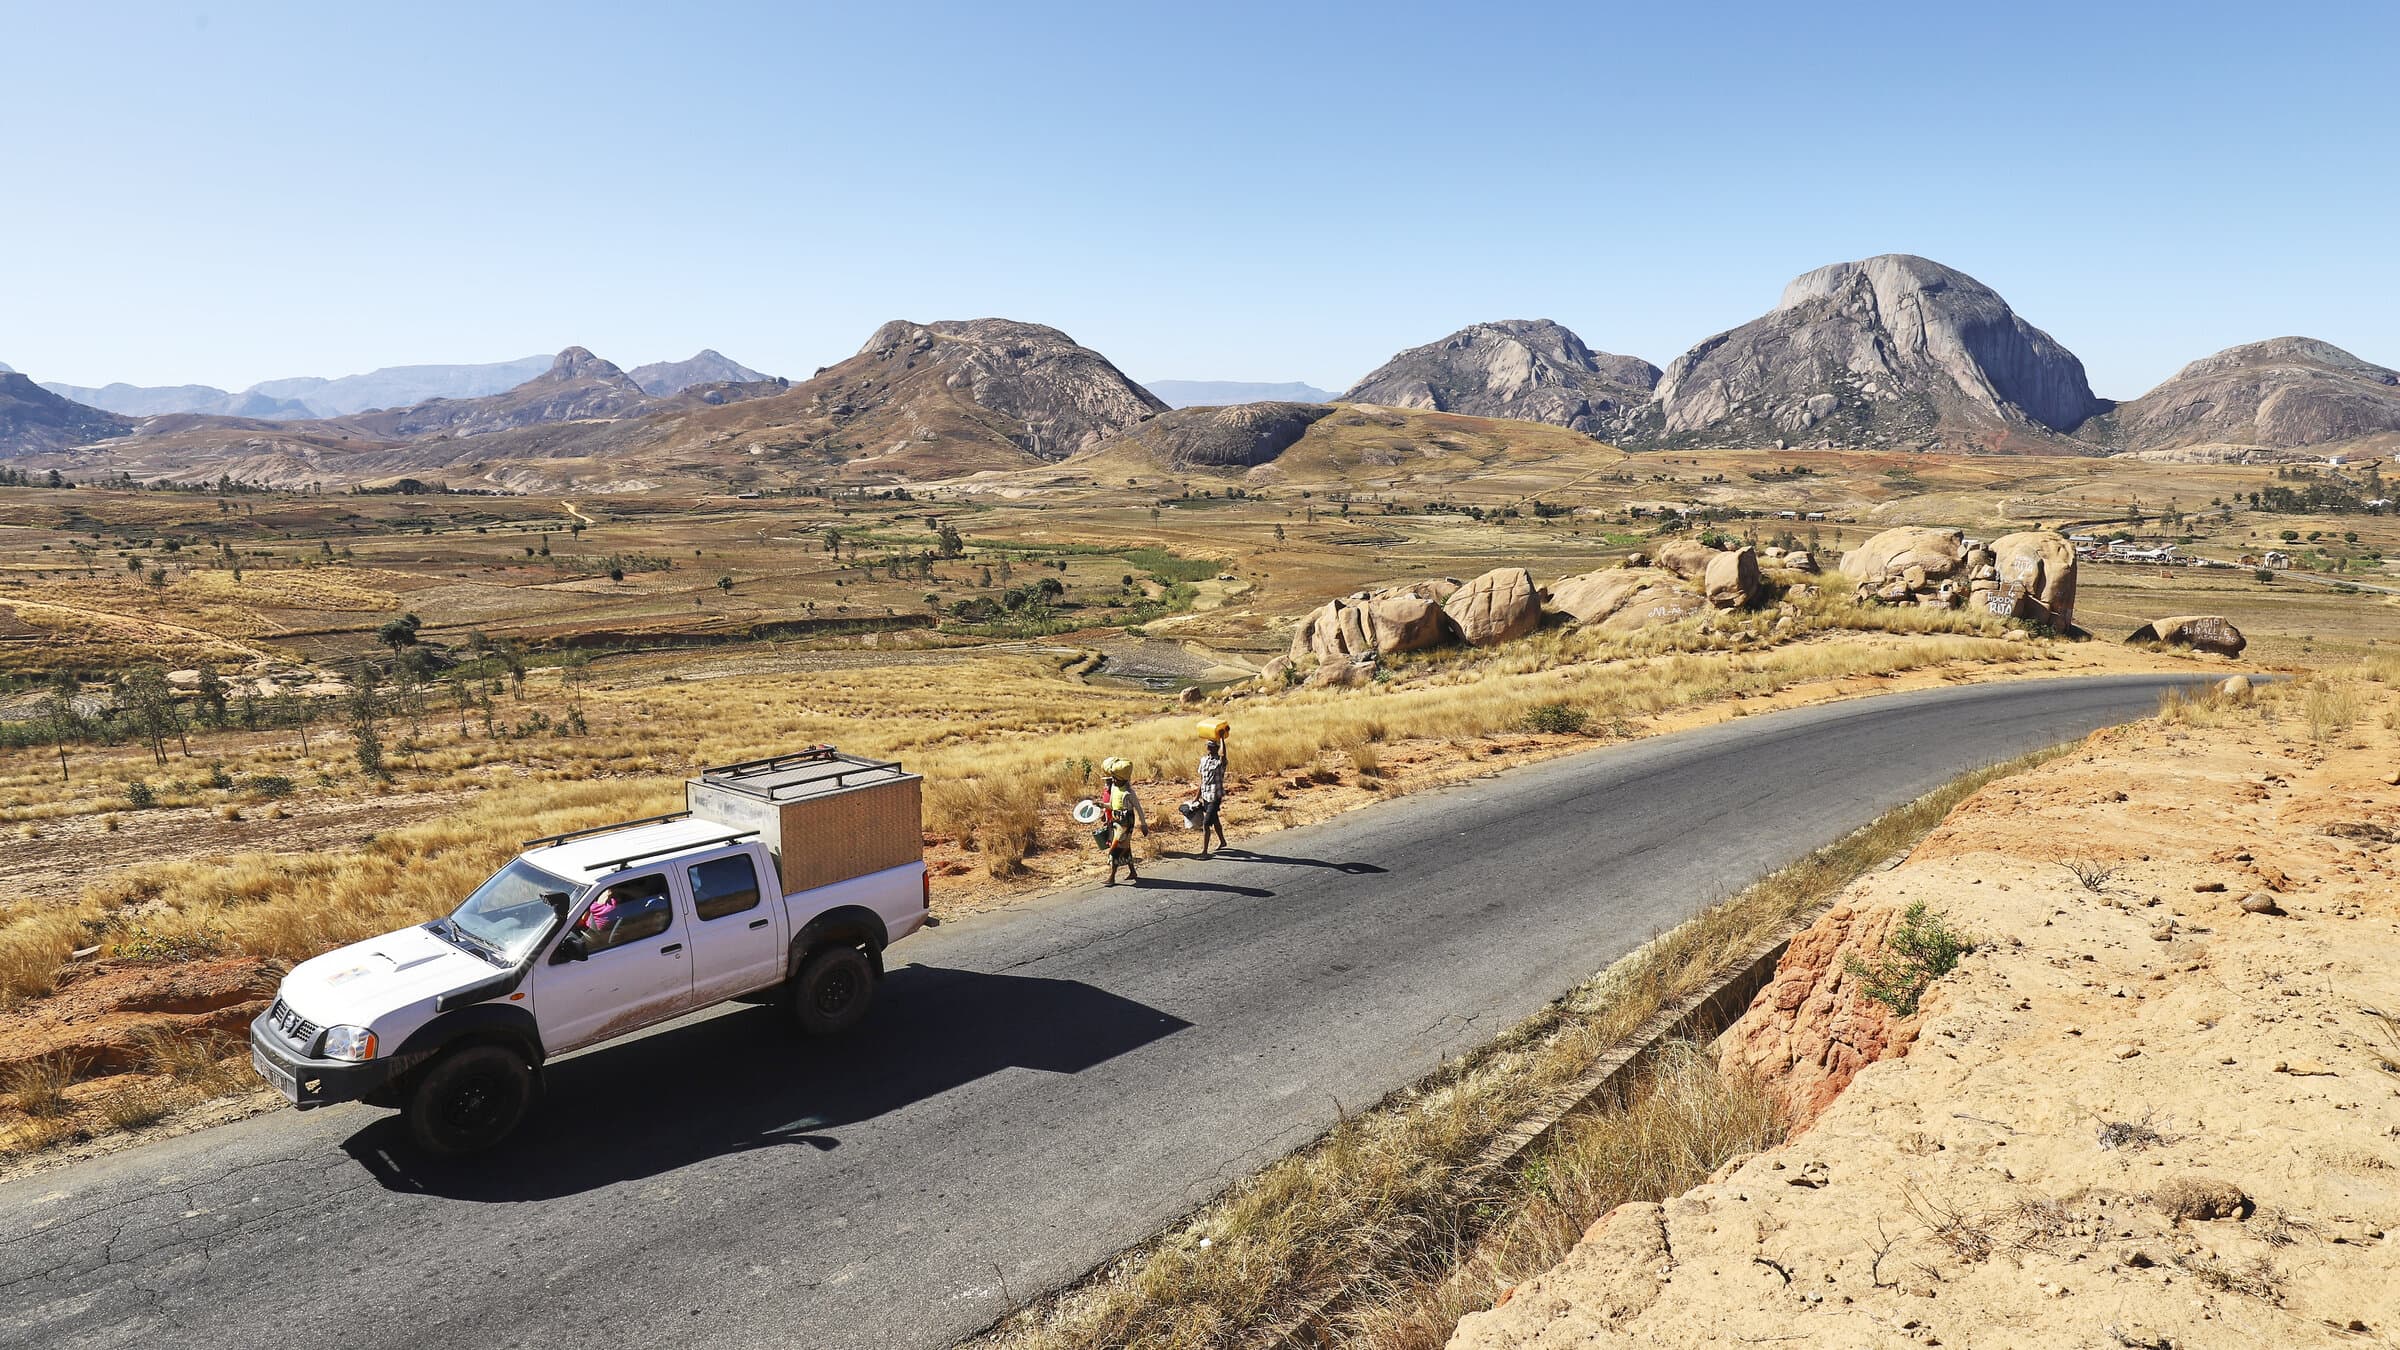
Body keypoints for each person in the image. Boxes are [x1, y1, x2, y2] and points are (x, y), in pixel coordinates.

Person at [1099, 756, 1148, 885]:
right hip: (1116, 820)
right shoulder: (1115, 788)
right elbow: (1112, 805)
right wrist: (1101, 805)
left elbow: (1139, 809)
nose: (1113, 780)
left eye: (1115, 778)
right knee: (1125, 847)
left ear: (1122, 779)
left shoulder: (1129, 793)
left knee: (1115, 849)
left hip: (1126, 822)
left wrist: (1144, 825)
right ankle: (1132, 871)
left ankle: (1112, 877)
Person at [1192, 722, 1229, 856]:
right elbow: (1202, 781)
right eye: (1208, 745)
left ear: (1216, 748)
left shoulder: (1220, 762)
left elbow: (1224, 756)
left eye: (1212, 746)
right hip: (1206, 795)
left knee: (1206, 823)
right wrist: (1196, 798)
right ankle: (1223, 841)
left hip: (1215, 795)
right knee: (1215, 819)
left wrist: (1222, 738)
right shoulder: (1204, 761)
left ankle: (1204, 851)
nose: (1209, 747)